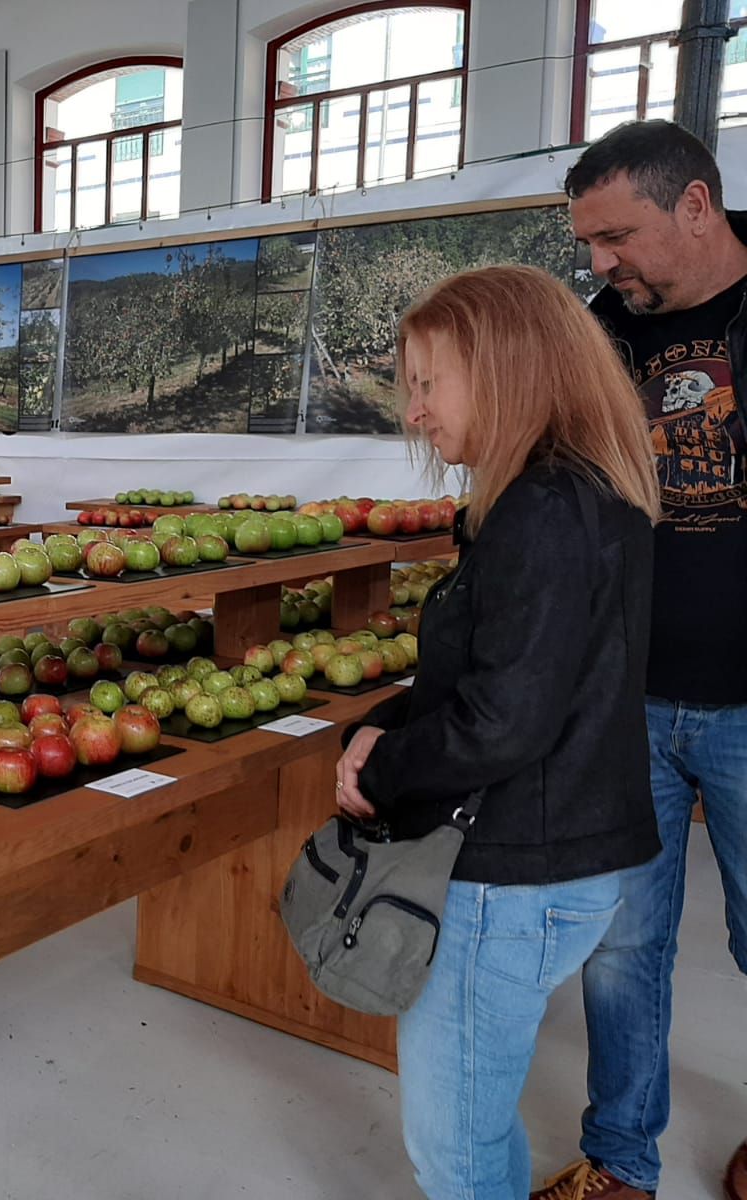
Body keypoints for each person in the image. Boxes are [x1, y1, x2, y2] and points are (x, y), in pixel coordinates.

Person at [333, 265, 662, 1200]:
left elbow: (503, 719)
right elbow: (524, 675)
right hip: (571, 853)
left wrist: (382, 767)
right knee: (478, 1116)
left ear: (507, 367)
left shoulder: (542, 511)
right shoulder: (583, 492)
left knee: (456, 1147)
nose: (416, 414)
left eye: (428, 384)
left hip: (516, 870)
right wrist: (381, 723)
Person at [528, 120, 747, 1200]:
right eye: (589, 243)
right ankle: (619, 1162)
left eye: (617, 236)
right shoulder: (592, 334)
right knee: (620, 950)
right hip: (622, 699)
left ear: (695, 206)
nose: (600, 262)